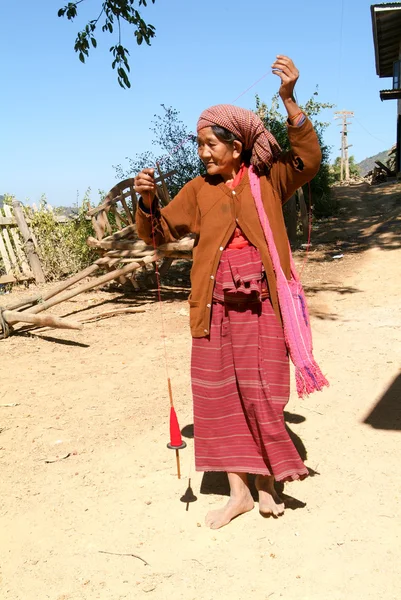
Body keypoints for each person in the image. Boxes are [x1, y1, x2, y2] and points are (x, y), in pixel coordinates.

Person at [134, 56, 322, 530]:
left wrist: (289, 99)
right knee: (220, 399)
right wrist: (146, 202)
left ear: (237, 148)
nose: (203, 153)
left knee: (263, 392)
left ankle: (266, 487)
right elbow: (155, 233)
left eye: (211, 144)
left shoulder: (271, 178)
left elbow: (309, 159)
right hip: (214, 312)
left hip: (263, 308)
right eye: (200, 145)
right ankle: (237, 493)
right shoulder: (198, 190)